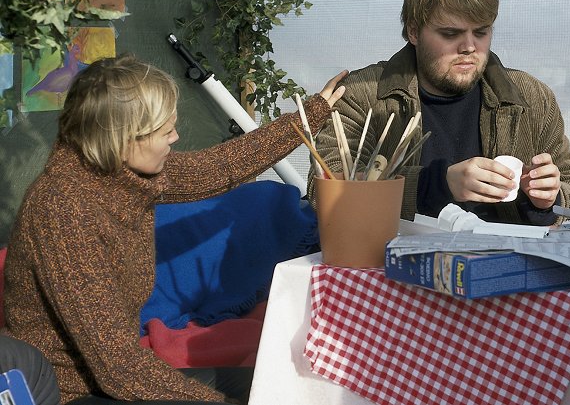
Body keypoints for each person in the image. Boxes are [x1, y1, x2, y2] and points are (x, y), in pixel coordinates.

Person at [1, 54, 346, 405]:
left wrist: (308, 117)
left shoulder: (120, 173)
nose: (176, 136)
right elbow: (121, 370)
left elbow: (216, 168)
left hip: (114, 376)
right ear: (122, 139)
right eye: (165, 131)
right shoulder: (65, 212)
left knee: (271, 386)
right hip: (72, 392)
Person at [308, 0, 570, 225]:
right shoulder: (363, 94)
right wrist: (437, 183)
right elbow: (325, 191)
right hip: (391, 266)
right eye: (450, 33)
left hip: (507, 266)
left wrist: (550, 199)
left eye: (481, 32)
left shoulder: (531, 97)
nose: (469, 46)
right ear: (413, 31)